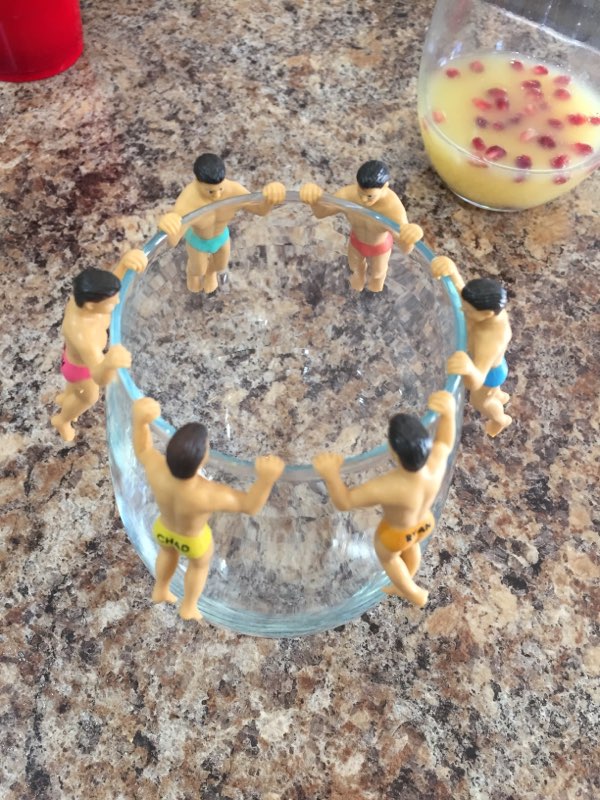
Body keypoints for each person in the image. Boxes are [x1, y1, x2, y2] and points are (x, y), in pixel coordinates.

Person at [132, 397, 286, 621]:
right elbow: (250, 505)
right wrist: (266, 479)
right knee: (198, 567)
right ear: (202, 457)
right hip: (193, 540)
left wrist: (140, 422)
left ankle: (161, 588)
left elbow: (143, 448)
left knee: (167, 553)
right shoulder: (207, 493)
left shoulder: (157, 469)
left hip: (163, 529)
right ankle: (189, 606)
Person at [312, 390, 456, 607]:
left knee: (390, 560)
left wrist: (331, 474)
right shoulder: (435, 462)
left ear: (394, 451)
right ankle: (407, 577)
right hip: (424, 522)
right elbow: (445, 441)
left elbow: (344, 502)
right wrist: (449, 414)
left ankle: (412, 591)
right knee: (412, 546)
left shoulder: (390, 486)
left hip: (395, 534)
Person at [51, 249, 148, 442]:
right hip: (81, 370)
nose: (117, 301)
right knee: (89, 398)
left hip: (70, 357)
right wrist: (110, 362)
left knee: (74, 389)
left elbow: (106, 290)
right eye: (111, 303)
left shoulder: (82, 300)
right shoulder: (84, 335)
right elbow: (100, 378)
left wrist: (123, 265)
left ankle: (67, 396)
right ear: (91, 305)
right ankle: (62, 419)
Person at [158, 153, 286, 293]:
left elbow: (260, 210)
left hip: (221, 236)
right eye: (210, 191)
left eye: (220, 189)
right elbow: (173, 241)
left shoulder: (234, 190)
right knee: (198, 269)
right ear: (198, 182)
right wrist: (167, 226)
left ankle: (211, 273)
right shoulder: (188, 201)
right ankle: (192, 274)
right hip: (198, 240)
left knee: (220, 265)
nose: (217, 196)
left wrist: (270, 199)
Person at [299, 160, 423, 292]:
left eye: (369, 196)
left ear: (385, 187)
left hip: (380, 247)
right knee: (355, 267)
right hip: (356, 241)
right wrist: (315, 199)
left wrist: (410, 236)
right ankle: (359, 280)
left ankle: (376, 288)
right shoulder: (347, 195)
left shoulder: (393, 209)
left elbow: (405, 248)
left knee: (378, 273)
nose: (363, 200)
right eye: (360, 192)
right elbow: (321, 213)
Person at [431, 256, 512, 437]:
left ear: (487, 314)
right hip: (494, 363)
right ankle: (499, 395)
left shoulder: (490, 339)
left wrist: (467, 367)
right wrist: (452, 271)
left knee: (481, 402)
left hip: (489, 375)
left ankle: (501, 419)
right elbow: (465, 297)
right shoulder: (491, 310)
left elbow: (475, 382)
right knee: (492, 393)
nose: (462, 310)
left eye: (468, 311)